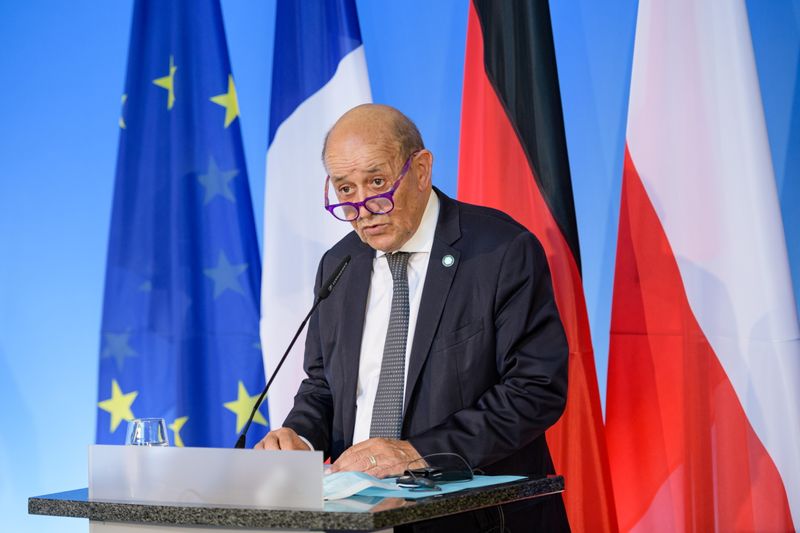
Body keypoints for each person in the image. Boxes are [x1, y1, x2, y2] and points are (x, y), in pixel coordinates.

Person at [256, 104, 569, 531]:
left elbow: (536, 389)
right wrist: (299, 439)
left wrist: (417, 452)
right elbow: (323, 386)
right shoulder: (340, 264)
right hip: (361, 515)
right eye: (345, 190)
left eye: (378, 182)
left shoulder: (500, 251)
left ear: (421, 169)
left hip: (475, 517)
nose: (363, 208)